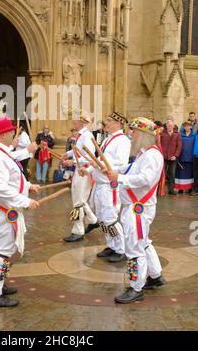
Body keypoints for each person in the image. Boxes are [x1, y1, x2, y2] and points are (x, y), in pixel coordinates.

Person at [0, 117, 40, 308]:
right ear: (4, 134)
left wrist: (28, 186)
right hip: (2, 210)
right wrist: (23, 200)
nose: (14, 133)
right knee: (3, 251)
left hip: (6, 208)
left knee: (7, 250)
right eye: (12, 131)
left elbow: (12, 177)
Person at [108, 117, 165, 304]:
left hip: (138, 210)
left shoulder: (152, 155)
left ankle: (135, 288)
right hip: (135, 209)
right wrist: (112, 171)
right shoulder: (144, 153)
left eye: (134, 132)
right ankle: (155, 276)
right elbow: (130, 169)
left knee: (134, 249)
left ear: (143, 135)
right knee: (144, 243)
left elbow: (145, 179)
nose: (131, 135)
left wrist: (120, 179)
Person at [79, 112, 130, 262]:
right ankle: (112, 245)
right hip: (100, 184)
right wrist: (88, 170)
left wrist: (102, 166)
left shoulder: (123, 141)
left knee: (110, 218)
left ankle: (121, 249)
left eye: (109, 120)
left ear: (117, 124)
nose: (105, 123)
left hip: (110, 186)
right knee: (101, 218)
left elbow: (121, 164)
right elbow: (99, 160)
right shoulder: (109, 139)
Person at [62, 114, 98, 242]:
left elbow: (89, 156)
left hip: (84, 171)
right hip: (80, 170)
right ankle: (93, 220)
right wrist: (67, 154)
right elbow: (78, 151)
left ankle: (78, 231)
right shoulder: (81, 135)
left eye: (75, 121)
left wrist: (73, 162)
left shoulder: (87, 136)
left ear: (82, 123)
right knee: (80, 200)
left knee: (77, 201)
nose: (73, 122)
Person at [160, 120, 182, 195]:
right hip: (164, 157)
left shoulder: (177, 134)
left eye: (171, 125)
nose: (170, 127)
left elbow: (179, 146)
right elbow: (159, 144)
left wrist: (175, 156)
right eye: (168, 125)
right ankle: (160, 190)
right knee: (163, 174)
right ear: (166, 126)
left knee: (172, 174)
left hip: (173, 158)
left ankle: (171, 190)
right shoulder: (162, 133)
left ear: (173, 126)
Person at [174, 122, 195, 194]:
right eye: (185, 126)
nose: (187, 127)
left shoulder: (194, 135)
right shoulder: (180, 135)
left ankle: (189, 188)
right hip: (182, 157)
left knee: (190, 174)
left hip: (190, 157)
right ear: (184, 127)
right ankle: (181, 188)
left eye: (188, 126)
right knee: (181, 174)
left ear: (191, 127)